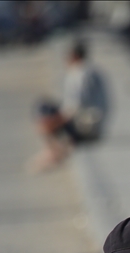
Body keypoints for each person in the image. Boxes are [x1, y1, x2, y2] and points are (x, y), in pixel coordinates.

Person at [31, 39, 108, 171]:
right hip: (93, 123)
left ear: (74, 56)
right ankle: (57, 148)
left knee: (44, 110)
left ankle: (54, 152)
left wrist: (50, 123)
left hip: (87, 126)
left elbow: (75, 106)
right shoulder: (91, 70)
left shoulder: (80, 73)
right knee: (49, 110)